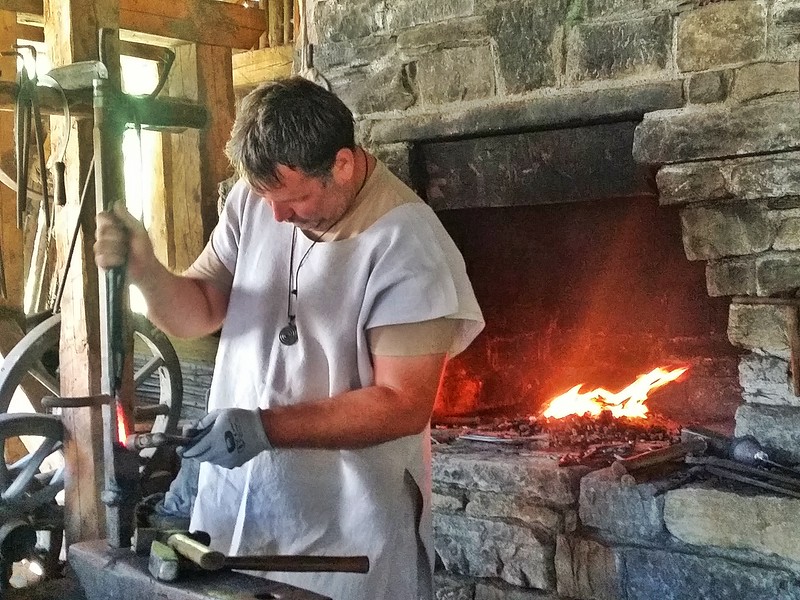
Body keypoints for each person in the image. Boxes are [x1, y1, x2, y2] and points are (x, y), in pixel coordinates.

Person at [94, 77, 483, 600]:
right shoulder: (255, 201)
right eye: (264, 197)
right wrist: (147, 272)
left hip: (345, 528)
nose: (275, 216)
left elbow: (401, 404)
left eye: (293, 199)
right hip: (234, 513)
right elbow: (200, 310)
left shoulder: (408, 245)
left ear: (341, 164)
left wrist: (264, 428)